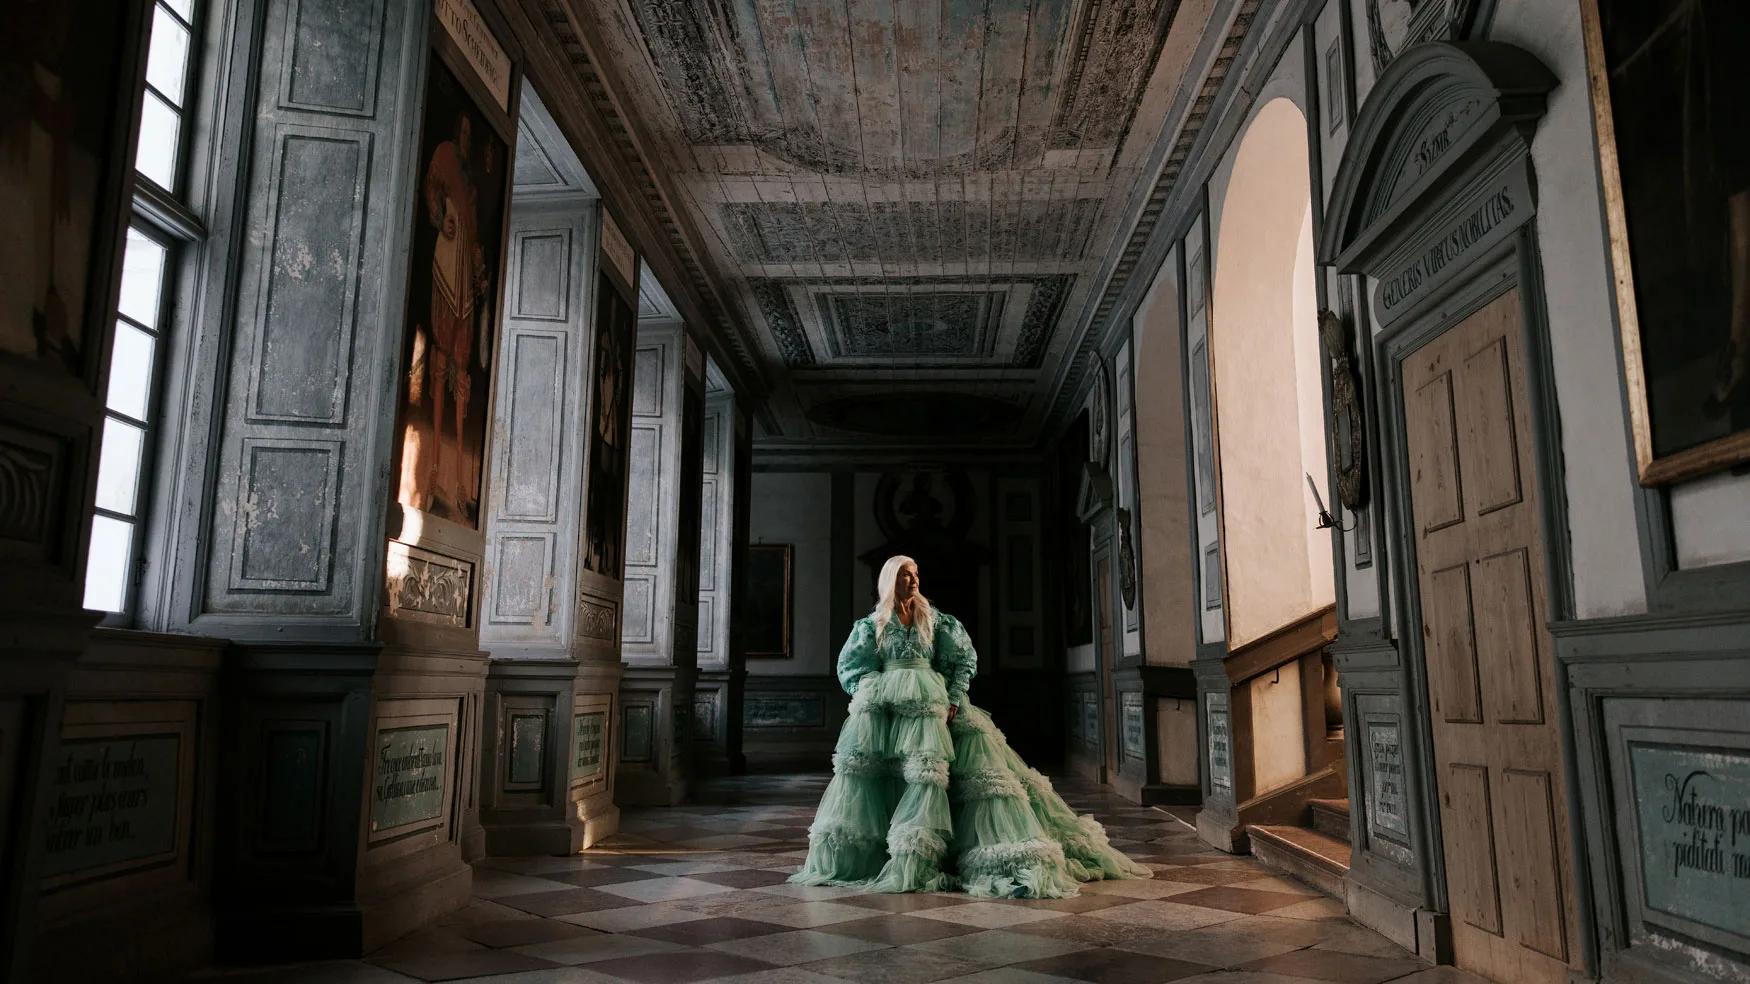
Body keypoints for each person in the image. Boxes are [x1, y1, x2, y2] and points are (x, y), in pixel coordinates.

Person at [790, 555, 1151, 898]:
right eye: (905, 574)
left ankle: (942, 853)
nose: (913, 580)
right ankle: (893, 856)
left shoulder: (936, 620)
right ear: (890, 580)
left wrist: (952, 697)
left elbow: (964, 659)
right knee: (888, 779)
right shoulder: (872, 626)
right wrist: (873, 694)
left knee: (946, 776)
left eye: (916, 574)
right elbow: (850, 667)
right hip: (888, 711)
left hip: (935, 704)